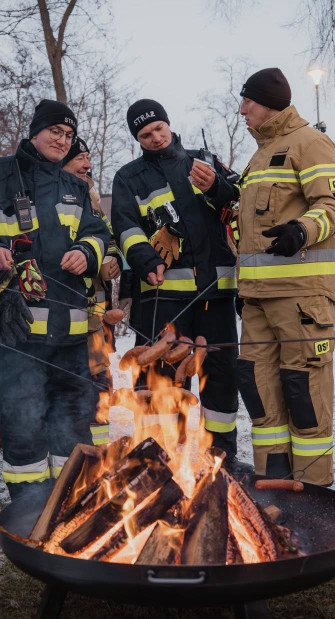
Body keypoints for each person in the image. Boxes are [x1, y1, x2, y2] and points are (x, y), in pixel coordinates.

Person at [0, 99, 109, 503]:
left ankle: (68, 504)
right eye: (55, 131)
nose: (62, 140)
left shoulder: (75, 187)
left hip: (71, 335)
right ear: (35, 131)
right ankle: (29, 508)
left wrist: (87, 252)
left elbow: (99, 234)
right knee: (23, 425)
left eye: (68, 135)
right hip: (15, 333)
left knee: (72, 424)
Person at [110, 99, 241, 464]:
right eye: (145, 134)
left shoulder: (206, 160)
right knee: (159, 379)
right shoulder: (128, 177)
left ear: (168, 124)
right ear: (137, 139)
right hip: (162, 297)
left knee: (221, 376)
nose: (155, 137)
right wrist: (146, 258)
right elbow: (125, 226)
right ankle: (158, 456)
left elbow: (239, 202)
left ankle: (221, 456)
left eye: (158, 128)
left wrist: (217, 187)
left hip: (217, 294)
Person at [235, 68, 335, 485]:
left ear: (269, 104)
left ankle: (314, 493)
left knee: (304, 395)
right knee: (260, 394)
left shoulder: (310, 142)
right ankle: (273, 490)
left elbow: (334, 205)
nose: (242, 109)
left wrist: (301, 230)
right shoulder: (259, 154)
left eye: (248, 101)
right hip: (256, 299)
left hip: (302, 298)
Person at [63, 136, 123, 448]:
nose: (87, 164)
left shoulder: (92, 198)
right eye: (80, 158)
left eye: (88, 158)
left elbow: (108, 239)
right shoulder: (51, 198)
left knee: (100, 383)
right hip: (63, 314)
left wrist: (112, 259)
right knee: (71, 386)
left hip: (96, 319)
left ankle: (98, 453)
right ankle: (73, 452)